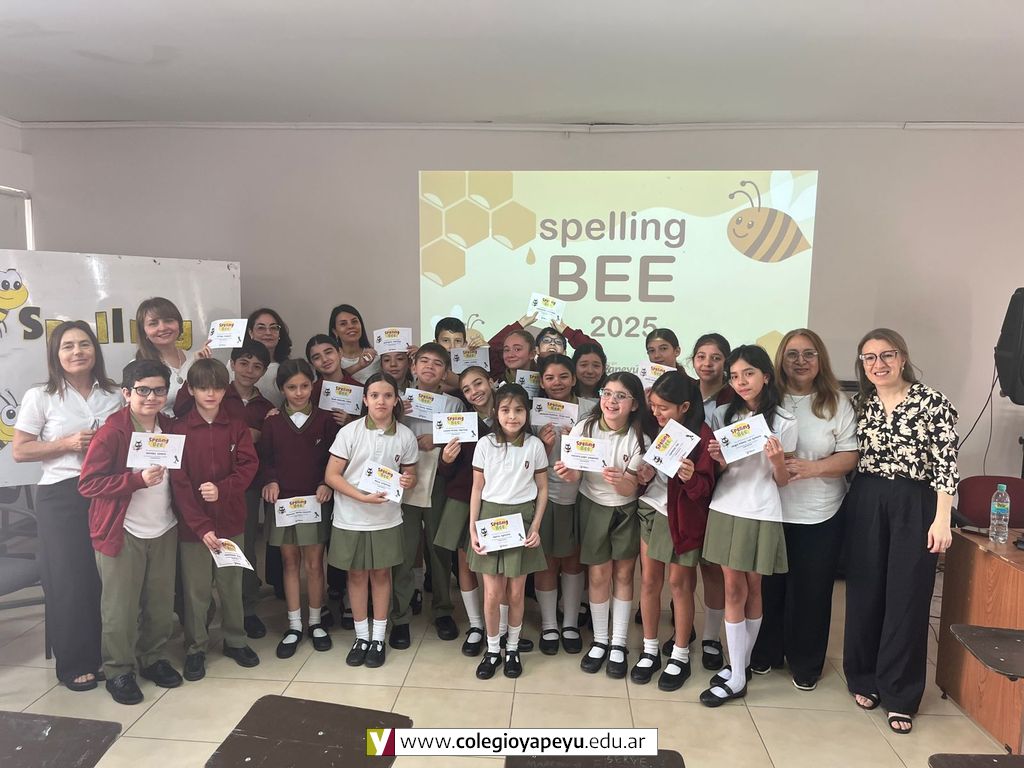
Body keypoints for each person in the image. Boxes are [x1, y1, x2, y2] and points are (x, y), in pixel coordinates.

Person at [844, 328, 957, 735]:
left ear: (903, 358)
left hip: (916, 501)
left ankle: (900, 694)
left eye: (887, 355)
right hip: (867, 497)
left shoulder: (932, 402)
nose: (879, 364)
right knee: (865, 591)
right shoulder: (861, 403)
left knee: (907, 596)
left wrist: (942, 518)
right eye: (870, 358)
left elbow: (946, 463)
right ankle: (864, 677)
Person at [12, 320, 123, 692]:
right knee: (69, 579)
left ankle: (107, 654)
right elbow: (20, 450)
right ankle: (75, 662)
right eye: (68, 346)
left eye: (84, 344)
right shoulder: (41, 396)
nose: (78, 352)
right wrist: (67, 443)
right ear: (56, 355)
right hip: (61, 495)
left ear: (95, 350)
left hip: (106, 491)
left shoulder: (113, 394)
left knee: (104, 578)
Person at [750, 329, 857, 691]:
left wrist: (814, 468)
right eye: (792, 354)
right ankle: (765, 652)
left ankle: (806, 663)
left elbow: (850, 455)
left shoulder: (836, 402)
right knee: (769, 589)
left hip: (820, 513)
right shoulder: (767, 399)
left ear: (820, 359)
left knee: (811, 592)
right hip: (771, 510)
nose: (800, 361)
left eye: (809, 354)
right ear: (780, 360)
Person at [79, 359, 183, 704]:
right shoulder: (113, 432)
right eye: (143, 390)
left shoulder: (170, 427)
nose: (151, 397)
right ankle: (118, 671)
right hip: (122, 531)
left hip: (164, 527)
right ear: (126, 393)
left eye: (159, 390)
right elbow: (88, 484)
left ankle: (153, 658)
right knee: (120, 608)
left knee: (160, 603)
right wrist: (135, 480)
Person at [699, 345, 797, 706]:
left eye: (749, 374)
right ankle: (737, 671)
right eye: (735, 376)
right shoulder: (722, 413)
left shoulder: (784, 421)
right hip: (726, 506)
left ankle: (739, 669)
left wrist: (778, 461)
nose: (741, 382)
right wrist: (720, 459)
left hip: (762, 510)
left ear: (766, 376)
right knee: (733, 588)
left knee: (755, 587)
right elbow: (718, 471)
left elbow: (783, 480)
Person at [170, 358, 261, 681]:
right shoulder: (179, 430)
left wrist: (223, 489)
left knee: (231, 585)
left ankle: (235, 640)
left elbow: (248, 467)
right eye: (203, 388)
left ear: (226, 390)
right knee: (196, 591)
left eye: (218, 387)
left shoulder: (236, 426)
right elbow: (179, 484)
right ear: (191, 390)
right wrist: (201, 526)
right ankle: (196, 647)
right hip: (193, 528)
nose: (211, 394)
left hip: (231, 521)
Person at [554, 372, 649, 678]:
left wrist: (621, 481)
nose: (611, 401)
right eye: (607, 393)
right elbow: (575, 474)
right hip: (593, 506)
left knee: (623, 574)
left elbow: (631, 487)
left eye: (621, 396)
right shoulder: (585, 427)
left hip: (625, 509)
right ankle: (600, 640)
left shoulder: (640, 437)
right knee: (598, 575)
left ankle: (618, 642)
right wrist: (569, 474)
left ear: (635, 404)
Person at [324, 372, 418, 668]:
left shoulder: (405, 435)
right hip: (350, 517)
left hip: (386, 518)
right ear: (364, 400)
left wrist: (408, 481)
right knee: (356, 575)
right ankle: (361, 637)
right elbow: (331, 476)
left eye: (387, 395)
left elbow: (411, 475)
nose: (381, 401)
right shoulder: (349, 432)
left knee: (381, 575)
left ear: (396, 400)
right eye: (374, 395)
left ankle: (378, 637)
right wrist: (361, 497)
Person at [633, 371, 716, 691]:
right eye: (653, 405)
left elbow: (705, 491)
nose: (656, 412)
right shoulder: (653, 428)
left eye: (663, 407)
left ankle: (680, 654)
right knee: (649, 582)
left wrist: (691, 477)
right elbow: (649, 474)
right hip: (652, 511)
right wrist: (643, 476)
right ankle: (650, 649)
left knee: (680, 585)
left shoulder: (702, 435)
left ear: (684, 407)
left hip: (683, 520)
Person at [467, 384, 549, 679]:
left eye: (518, 410)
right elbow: (477, 488)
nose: (512, 416)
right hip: (490, 519)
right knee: (492, 593)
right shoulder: (485, 444)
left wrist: (535, 526)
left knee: (515, 592)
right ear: (495, 412)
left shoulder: (535, 446)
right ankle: (492, 649)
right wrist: (473, 528)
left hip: (522, 519)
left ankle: (512, 648)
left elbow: (542, 489)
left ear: (527, 413)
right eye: (505, 410)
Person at [259, 359, 340, 658]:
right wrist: (270, 480)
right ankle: (294, 625)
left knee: (314, 564)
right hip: (283, 503)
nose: (299, 392)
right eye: (292, 387)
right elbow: (266, 458)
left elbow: (334, 458)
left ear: (313, 386)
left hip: (315, 501)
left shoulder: (325, 420)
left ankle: (316, 621)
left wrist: (325, 483)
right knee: (289, 562)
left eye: (305, 386)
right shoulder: (272, 422)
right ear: (282, 389)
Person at [390, 344, 463, 649]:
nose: (430, 367)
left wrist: (438, 438)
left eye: (437, 363)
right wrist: (397, 415)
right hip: (404, 483)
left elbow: (463, 438)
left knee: (439, 550)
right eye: (424, 361)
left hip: (438, 483)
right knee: (404, 552)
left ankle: (443, 610)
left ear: (445, 372)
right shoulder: (398, 399)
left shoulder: (454, 404)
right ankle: (400, 616)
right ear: (413, 367)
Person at [533, 354, 596, 655]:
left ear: (573, 378)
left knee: (573, 561)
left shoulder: (591, 409)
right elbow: (526, 459)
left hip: (580, 494)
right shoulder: (534, 411)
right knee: (546, 561)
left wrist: (577, 443)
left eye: (562, 377)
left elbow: (598, 453)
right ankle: (549, 625)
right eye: (549, 378)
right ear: (542, 382)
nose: (556, 383)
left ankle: (570, 623)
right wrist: (544, 446)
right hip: (545, 495)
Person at [434, 366, 493, 656]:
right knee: (465, 562)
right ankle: (476, 625)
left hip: (499, 500)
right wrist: (445, 458)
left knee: (498, 565)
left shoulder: (510, 412)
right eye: (467, 389)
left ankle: (500, 625)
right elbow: (446, 471)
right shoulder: (460, 422)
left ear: (491, 382)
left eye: (478, 383)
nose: (474, 392)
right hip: (462, 498)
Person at [689, 332, 734, 669]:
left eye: (715, 358)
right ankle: (683, 630)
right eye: (701, 357)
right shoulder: (685, 392)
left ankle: (710, 637)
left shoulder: (735, 397)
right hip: (686, 486)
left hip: (723, 490)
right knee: (683, 568)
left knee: (712, 567)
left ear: (725, 362)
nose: (707, 364)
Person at [134, 296, 211, 414]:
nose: (163, 327)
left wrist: (204, 366)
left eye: (168, 321)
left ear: (179, 324)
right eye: (153, 323)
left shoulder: (195, 358)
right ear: (143, 331)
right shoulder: (137, 366)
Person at [246, 307, 293, 409]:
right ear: (251, 333)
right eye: (261, 328)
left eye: (273, 328)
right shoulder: (236, 366)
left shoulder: (289, 369)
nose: (268, 333)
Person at [328, 304, 380, 383]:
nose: (350, 326)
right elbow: (330, 383)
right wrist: (359, 365)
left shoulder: (376, 356)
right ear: (335, 331)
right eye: (343, 324)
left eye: (354, 321)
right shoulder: (332, 360)